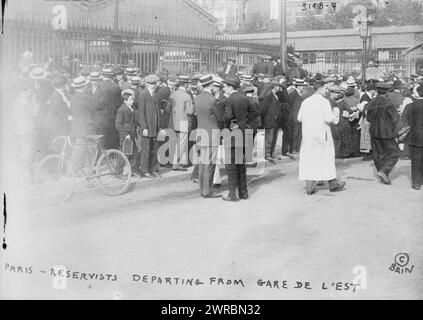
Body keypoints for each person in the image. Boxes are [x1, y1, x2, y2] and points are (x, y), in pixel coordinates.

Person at [297, 81, 346, 195]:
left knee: (310, 159)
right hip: (322, 135)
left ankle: (310, 185)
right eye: (325, 88)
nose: (327, 91)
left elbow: (299, 118)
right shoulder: (324, 102)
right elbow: (329, 119)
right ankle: (332, 184)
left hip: (308, 136)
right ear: (319, 89)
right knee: (326, 159)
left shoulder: (306, 102)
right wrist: (335, 115)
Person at [222, 75, 259, 201]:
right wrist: (244, 123)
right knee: (241, 164)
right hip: (244, 133)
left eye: (225, 86)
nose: (224, 89)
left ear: (230, 86)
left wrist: (231, 126)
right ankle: (244, 193)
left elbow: (228, 117)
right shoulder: (245, 98)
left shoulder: (228, 100)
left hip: (233, 135)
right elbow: (255, 112)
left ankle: (232, 194)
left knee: (231, 166)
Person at [194, 75, 223, 198]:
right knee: (210, 164)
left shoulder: (197, 98)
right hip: (212, 134)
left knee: (202, 163)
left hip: (201, 133)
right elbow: (221, 117)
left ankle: (202, 189)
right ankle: (207, 191)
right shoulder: (213, 100)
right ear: (211, 85)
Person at [367, 83, 401, 185]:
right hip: (386, 132)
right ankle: (384, 171)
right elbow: (395, 119)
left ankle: (381, 174)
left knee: (378, 154)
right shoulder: (388, 103)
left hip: (374, 131)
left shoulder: (372, 102)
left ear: (377, 91)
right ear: (386, 92)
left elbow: (368, 118)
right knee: (395, 153)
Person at [137, 74, 161, 179]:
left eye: (155, 83)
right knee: (146, 149)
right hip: (147, 127)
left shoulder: (156, 95)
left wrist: (159, 126)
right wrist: (144, 127)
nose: (154, 85)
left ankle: (154, 168)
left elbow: (157, 112)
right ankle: (145, 170)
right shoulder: (143, 95)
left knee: (155, 149)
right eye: (151, 84)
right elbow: (141, 113)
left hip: (155, 126)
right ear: (146, 84)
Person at [69, 76, 95, 172]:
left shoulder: (73, 97)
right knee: (80, 149)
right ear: (83, 87)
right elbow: (93, 107)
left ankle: (87, 168)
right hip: (84, 126)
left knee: (82, 147)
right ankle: (71, 169)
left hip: (77, 125)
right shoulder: (83, 98)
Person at [169, 75, 194, 171]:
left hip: (175, 120)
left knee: (178, 142)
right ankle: (176, 163)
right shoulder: (187, 96)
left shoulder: (173, 94)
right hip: (184, 121)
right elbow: (190, 111)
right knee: (182, 143)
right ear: (186, 84)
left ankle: (181, 162)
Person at [115, 89, 141, 178]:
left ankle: (133, 170)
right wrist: (126, 134)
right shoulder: (121, 110)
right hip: (126, 136)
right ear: (125, 101)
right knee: (125, 154)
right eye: (130, 100)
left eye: (132, 99)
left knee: (134, 152)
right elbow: (118, 125)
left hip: (132, 134)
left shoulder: (131, 108)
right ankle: (118, 173)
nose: (132, 101)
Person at [402, 85, 423, 190]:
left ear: (418, 93)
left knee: (416, 160)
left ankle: (416, 182)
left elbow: (403, 122)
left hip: (415, 137)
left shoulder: (410, 106)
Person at [96, 68, 121, 150]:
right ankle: (111, 157)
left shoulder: (101, 86)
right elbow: (119, 103)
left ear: (103, 76)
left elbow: (98, 103)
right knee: (111, 141)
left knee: (102, 142)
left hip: (102, 119)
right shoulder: (116, 87)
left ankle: (101, 160)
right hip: (113, 117)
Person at [44, 75, 72, 145]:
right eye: (66, 84)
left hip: (58, 123)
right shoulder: (56, 96)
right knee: (59, 143)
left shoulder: (60, 93)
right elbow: (57, 111)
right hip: (55, 124)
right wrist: (68, 117)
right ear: (62, 85)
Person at [287, 78, 307, 156]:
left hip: (299, 117)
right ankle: (293, 149)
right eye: (302, 86)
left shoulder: (299, 93)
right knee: (295, 134)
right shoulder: (293, 93)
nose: (303, 87)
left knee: (298, 133)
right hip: (294, 117)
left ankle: (296, 149)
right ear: (298, 86)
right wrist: (291, 115)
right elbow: (289, 105)